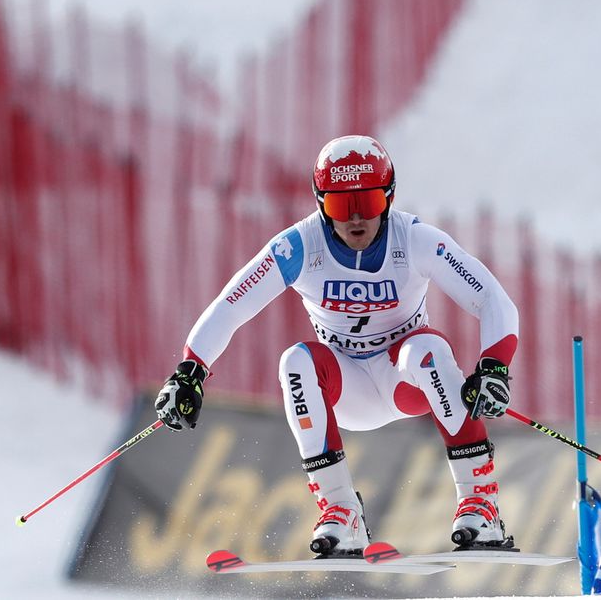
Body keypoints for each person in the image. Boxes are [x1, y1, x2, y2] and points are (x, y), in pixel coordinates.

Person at [153, 135, 519, 557]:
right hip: (345, 387)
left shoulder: (415, 239)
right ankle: (340, 509)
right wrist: (190, 371)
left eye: (369, 203)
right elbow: (231, 306)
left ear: (390, 197)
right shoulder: (299, 246)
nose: (357, 219)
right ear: (320, 203)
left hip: (405, 379)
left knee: (426, 350)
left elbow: (492, 298)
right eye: (342, 207)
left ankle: (480, 503)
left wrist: (494, 366)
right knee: (296, 361)